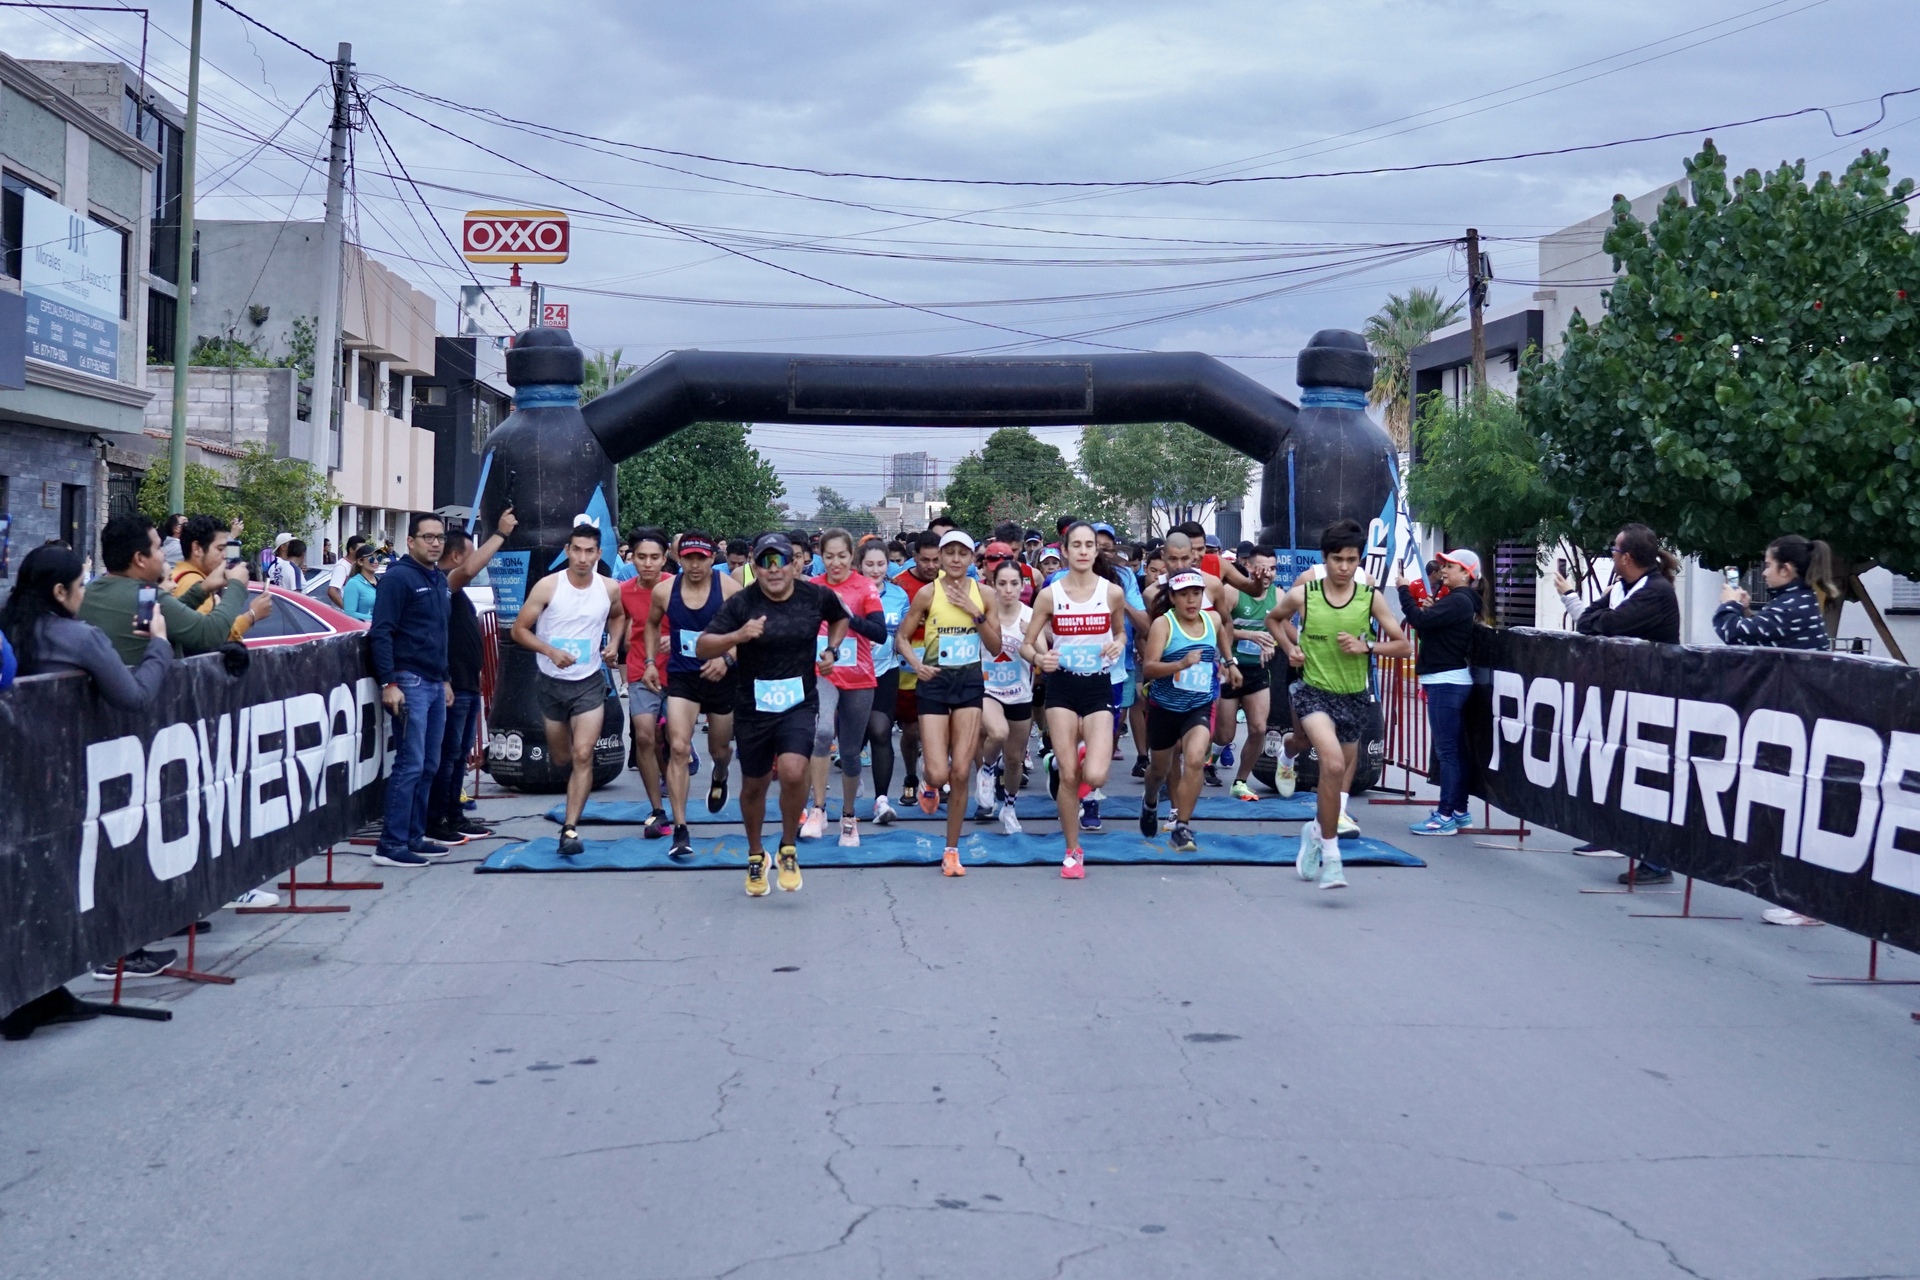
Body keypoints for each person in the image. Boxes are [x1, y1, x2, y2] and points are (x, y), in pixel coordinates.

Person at [2, 544, 184, 978]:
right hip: (70, 777)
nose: (84, 595)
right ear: (60, 591)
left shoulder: (9, 629)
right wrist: (159, 646)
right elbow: (134, 696)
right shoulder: (80, 638)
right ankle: (111, 952)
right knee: (94, 864)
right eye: (80, 586)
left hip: (17, 775)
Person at [699, 532, 850, 896]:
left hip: (799, 702)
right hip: (754, 706)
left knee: (794, 771)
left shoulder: (815, 596)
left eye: (779, 561)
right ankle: (756, 854)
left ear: (793, 564)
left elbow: (840, 618)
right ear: (755, 567)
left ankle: (787, 848)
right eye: (765, 563)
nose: (773, 570)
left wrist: (831, 650)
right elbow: (703, 645)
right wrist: (738, 635)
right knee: (755, 785)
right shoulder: (743, 602)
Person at [1267, 519, 1412, 890]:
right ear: (1324, 558)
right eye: (1337, 559)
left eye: (1351, 560)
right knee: (1331, 763)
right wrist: (1290, 648)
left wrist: (1368, 646)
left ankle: (1316, 833)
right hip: (1313, 690)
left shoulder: (1370, 597)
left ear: (1359, 560)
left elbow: (1404, 646)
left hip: (1353, 695)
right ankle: (1332, 858)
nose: (1344, 567)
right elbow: (1274, 619)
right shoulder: (1305, 593)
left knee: (1337, 772)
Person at [1553, 523, 1682, 880]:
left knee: (1646, 776)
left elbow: (1601, 624)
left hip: (1652, 696)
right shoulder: (1625, 588)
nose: (1610, 555)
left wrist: (1592, 610)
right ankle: (1614, 836)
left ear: (1626, 557)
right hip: (1624, 690)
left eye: (1614, 550)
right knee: (1615, 766)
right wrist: (1596, 609)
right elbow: (1591, 620)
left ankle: (1656, 862)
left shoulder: (1654, 592)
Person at [511, 519, 627, 859]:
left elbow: (618, 616)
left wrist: (613, 644)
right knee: (562, 757)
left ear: (599, 553)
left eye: (589, 551)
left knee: (583, 754)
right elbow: (519, 629)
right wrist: (550, 651)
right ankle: (570, 814)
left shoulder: (609, 588)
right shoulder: (549, 586)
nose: (583, 558)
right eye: (577, 550)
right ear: (567, 551)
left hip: (589, 682)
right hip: (551, 683)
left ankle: (570, 828)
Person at [1022, 521, 1128, 878]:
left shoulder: (1112, 592)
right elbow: (1027, 644)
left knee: (1095, 776)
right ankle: (1072, 851)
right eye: (1076, 545)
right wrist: (1041, 659)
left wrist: (1117, 645)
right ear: (1064, 551)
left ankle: (1072, 756)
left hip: (1097, 686)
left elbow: (1120, 633)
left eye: (1089, 545)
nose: (1083, 551)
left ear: (1096, 551)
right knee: (1070, 776)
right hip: (1062, 688)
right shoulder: (1050, 595)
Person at [896, 529, 1001, 876]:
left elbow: (996, 646)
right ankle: (929, 782)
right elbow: (901, 638)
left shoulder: (985, 594)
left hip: (968, 683)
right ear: (940, 557)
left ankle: (951, 850)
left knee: (960, 772)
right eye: (950, 553)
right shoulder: (928, 593)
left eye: (963, 553)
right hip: (935, 683)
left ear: (972, 559)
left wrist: (975, 613)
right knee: (939, 772)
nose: (956, 559)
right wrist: (916, 665)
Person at [645, 530, 742, 857]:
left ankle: (720, 773)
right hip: (683, 677)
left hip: (721, 678)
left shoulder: (729, 589)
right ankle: (681, 828)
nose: (696, 565)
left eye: (702, 558)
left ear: (713, 558)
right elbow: (651, 624)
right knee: (678, 748)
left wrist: (727, 658)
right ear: (679, 558)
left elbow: (748, 633)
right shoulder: (664, 591)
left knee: (719, 749)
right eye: (689, 558)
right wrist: (649, 662)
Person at [426, 509, 518, 847]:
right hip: (453, 687)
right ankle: (438, 819)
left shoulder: (456, 593)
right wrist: (500, 534)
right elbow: (467, 570)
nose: (478, 561)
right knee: (448, 756)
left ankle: (454, 813)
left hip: (466, 685)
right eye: (472, 553)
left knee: (459, 756)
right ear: (455, 557)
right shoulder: (444, 583)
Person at [368, 514, 454, 869]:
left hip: (434, 682)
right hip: (409, 681)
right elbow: (381, 632)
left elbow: (440, 632)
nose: (435, 543)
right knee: (410, 763)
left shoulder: (438, 579)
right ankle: (391, 844)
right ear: (411, 541)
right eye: (427, 537)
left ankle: (414, 836)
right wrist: (389, 683)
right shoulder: (398, 578)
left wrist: (445, 678)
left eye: (440, 538)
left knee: (429, 764)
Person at [1139, 570, 1240, 851]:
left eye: (1196, 594)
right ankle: (1150, 801)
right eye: (1184, 595)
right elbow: (1149, 668)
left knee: (1195, 759)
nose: (1191, 600)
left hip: (1199, 706)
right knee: (1159, 770)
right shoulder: (1163, 624)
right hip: (1164, 708)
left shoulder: (1212, 619)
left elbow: (1222, 633)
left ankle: (1182, 826)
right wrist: (1180, 664)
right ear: (1173, 598)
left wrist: (1230, 663)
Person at [799, 529, 889, 846]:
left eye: (841, 556)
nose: (835, 563)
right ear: (820, 557)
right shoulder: (813, 587)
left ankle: (849, 817)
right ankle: (818, 809)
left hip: (859, 676)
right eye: (829, 556)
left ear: (852, 557)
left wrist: (847, 617)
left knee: (850, 753)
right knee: (822, 733)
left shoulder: (864, 587)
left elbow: (880, 633)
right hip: (822, 673)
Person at [79, 514, 255, 664]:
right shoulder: (146, 595)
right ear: (140, 559)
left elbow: (167, 618)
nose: (163, 554)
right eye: (158, 547)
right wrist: (237, 586)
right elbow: (208, 634)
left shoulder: (90, 590)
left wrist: (203, 588)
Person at [1397, 549, 1482, 836]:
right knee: (1454, 750)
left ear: (1466, 574)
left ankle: (1445, 816)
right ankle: (1458, 811)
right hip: (1448, 679)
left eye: (1450, 566)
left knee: (1447, 751)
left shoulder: (1459, 600)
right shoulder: (1459, 600)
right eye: (1444, 565)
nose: (1443, 570)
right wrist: (1430, 611)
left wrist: (1404, 591)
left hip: (1446, 681)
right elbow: (1430, 628)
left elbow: (1419, 622)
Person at [618, 528, 673, 837]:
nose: (648, 563)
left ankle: (677, 789)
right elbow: (616, 620)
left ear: (665, 559)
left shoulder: (677, 586)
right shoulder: (623, 591)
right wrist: (614, 646)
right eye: (641, 557)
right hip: (642, 669)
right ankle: (658, 810)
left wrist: (675, 639)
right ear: (632, 558)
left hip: (677, 670)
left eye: (654, 557)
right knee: (644, 737)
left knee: (673, 741)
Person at [1217, 545, 1280, 801]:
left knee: (1258, 729)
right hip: (1230, 667)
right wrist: (1249, 635)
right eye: (1262, 568)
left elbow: (1280, 632)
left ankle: (1240, 781)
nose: (1267, 574)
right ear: (1249, 567)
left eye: (1273, 569)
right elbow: (1218, 628)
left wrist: (1273, 645)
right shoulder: (1232, 592)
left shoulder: (1280, 596)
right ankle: (1209, 752)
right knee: (1225, 735)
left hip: (1257, 671)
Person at [977, 559, 1034, 834]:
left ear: (1023, 586)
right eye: (1002, 583)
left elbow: (1041, 654)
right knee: (997, 733)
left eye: (1014, 583)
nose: (1008, 589)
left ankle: (1009, 808)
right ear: (993, 585)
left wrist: (1030, 638)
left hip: (1020, 694)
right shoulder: (985, 614)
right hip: (988, 690)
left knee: (1014, 760)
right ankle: (987, 769)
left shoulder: (1031, 615)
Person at [859, 540, 912, 827]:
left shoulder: (898, 595)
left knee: (880, 731)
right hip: (852, 673)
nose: (876, 569)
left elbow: (904, 634)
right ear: (860, 565)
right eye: (870, 564)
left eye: (881, 564)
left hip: (886, 671)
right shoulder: (850, 591)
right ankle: (848, 793)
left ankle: (881, 800)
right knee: (854, 739)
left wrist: (914, 661)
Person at [890, 530, 943, 807]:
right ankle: (911, 777)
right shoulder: (899, 584)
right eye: (925, 560)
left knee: (940, 729)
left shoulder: (951, 582)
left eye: (936, 560)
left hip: (942, 665)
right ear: (914, 557)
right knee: (911, 731)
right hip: (908, 668)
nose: (931, 566)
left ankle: (935, 780)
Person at [1714, 535, 1836, 651]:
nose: (1764, 573)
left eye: (1768, 566)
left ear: (1785, 570)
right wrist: (1746, 611)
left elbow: (1732, 634)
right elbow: (1764, 633)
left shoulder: (1788, 608)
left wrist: (1729, 603)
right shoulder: (1803, 598)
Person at [169, 514, 267, 642]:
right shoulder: (191, 581)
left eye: (227, 549)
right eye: (220, 549)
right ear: (197, 549)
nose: (225, 556)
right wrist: (252, 615)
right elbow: (209, 638)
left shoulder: (182, 575)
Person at [340, 544, 380, 621]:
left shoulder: (381, 582)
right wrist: (377, 619)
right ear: (360, 561)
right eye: (371, 559)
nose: (376, 561)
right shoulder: (353, 584)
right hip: (363, 627)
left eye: (379, 558)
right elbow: (349, 613)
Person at [327, 534, 367, 607]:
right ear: (351, 550)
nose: (363, 552)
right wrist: (347, 609)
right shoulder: (341, 566)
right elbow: (332, 591)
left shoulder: (359, 564)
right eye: (360, 549)